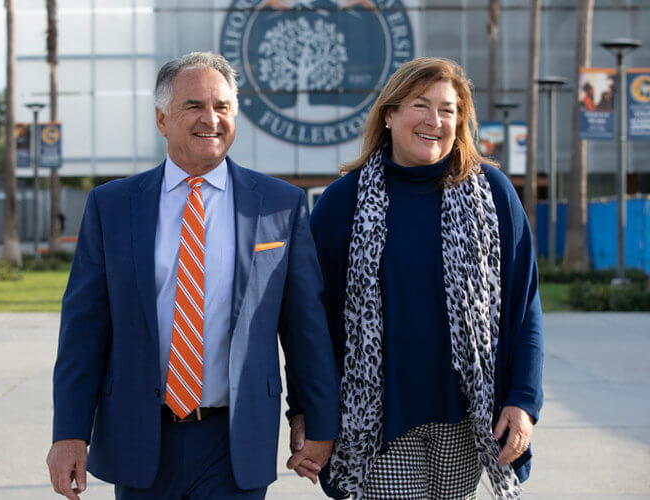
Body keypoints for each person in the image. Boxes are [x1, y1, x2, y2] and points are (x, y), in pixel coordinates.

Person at [46, 51, 340, 500]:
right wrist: (69, 432)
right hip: (141, 435)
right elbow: (83, 330)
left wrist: (316, 419)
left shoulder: (279, 205)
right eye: (194, 107)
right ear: (162, 119)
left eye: (222, 107)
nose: (211, 119)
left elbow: (305, 327)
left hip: (235, 439)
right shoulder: (112, 206)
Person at [309, 58, 543, 499]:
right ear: (390, 114)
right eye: (420, 105)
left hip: (466, 418)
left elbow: (524, 306)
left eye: (448, 109)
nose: (435, 121)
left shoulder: (493, 195)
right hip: (375, 422)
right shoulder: (343, 203)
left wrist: (524, 399)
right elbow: (311, 324)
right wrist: (310, 413)